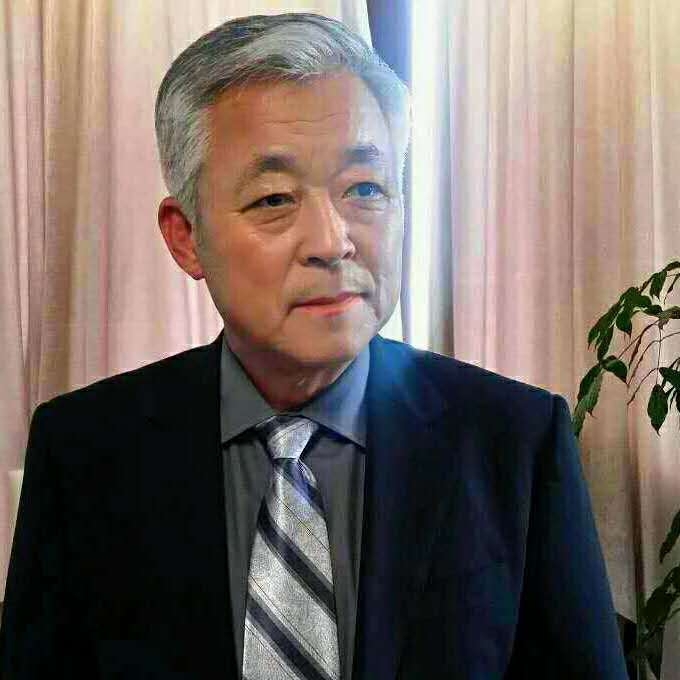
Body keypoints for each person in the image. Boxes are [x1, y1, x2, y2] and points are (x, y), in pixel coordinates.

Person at [0, 12, 628, 680]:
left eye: (365, 189)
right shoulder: (84, 450)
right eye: (274, 199)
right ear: (186, 237)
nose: (332, 241)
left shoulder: (515, 442)